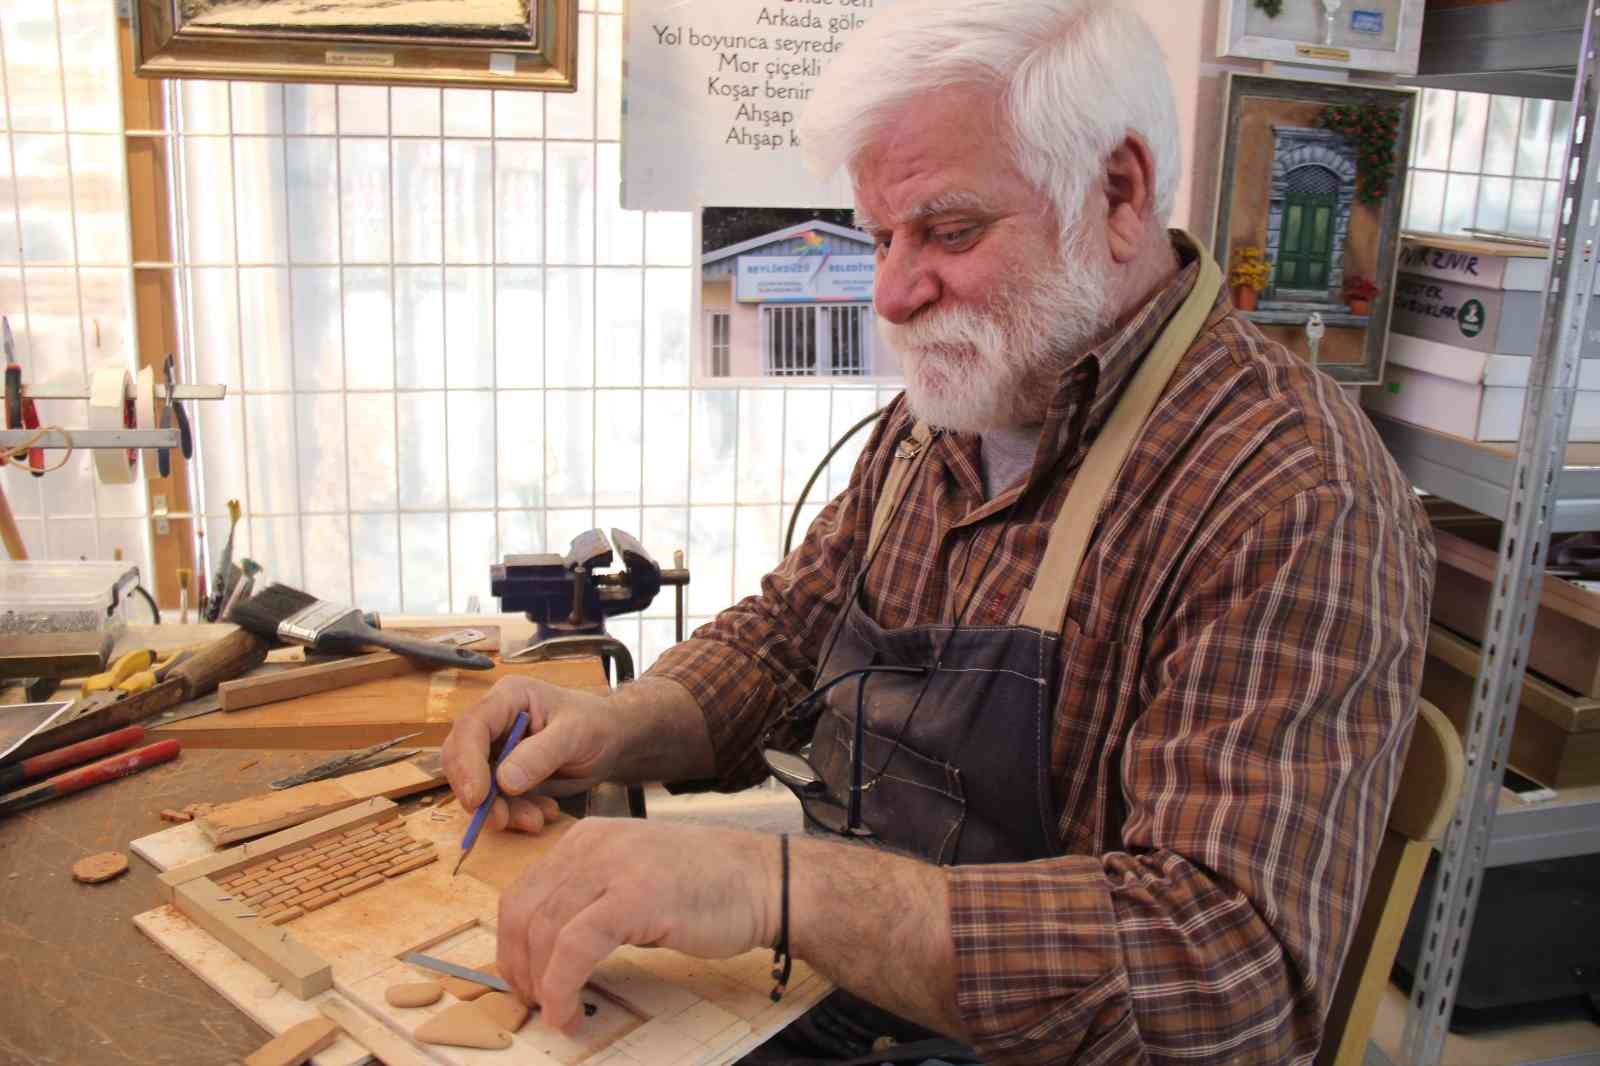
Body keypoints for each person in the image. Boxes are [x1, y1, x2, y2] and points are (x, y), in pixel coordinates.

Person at [441, 1, 1436, 1061]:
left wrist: (777, 884)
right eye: (880, 236)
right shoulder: (952, 411)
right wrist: (614, 723)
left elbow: (1224, 976)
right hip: (851, 1007)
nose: (892, 294)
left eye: (949, 232)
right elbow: (789, 637)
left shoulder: (1290, 496)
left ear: (1118, 192)